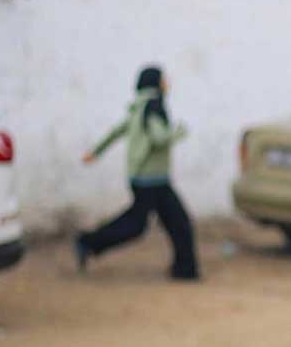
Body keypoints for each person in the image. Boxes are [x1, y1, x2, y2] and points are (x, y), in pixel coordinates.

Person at [74, 66, 199, 281]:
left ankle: (184, 268)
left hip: (145, 178)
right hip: (151, 180)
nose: (168, 84)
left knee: (174, 222)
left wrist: (95, 152)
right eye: (164, 80)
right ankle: (87, 242)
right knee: (149, 223)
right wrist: (179, 131)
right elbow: (159, 138)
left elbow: (117, 131)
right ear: (156, 83)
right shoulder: (153, 105)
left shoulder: (139, 106)